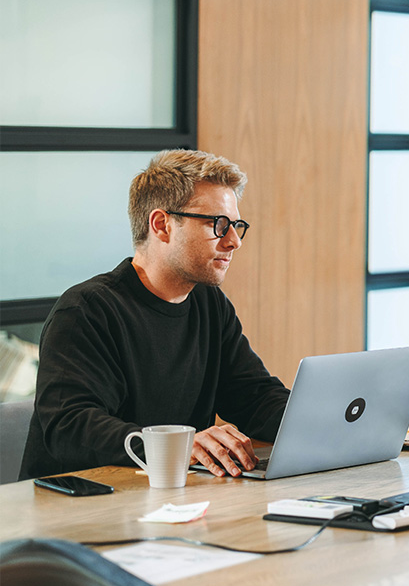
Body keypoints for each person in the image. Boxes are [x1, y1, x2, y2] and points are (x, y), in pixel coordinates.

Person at [21, 150, 290, 479]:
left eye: (236, 226)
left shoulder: (210, 304)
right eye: (219, 224)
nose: (234, 241)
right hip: (80, 506)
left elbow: (253, 397)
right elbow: (70, 427)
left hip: (170, 499)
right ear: (162, 225)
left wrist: (323, 420)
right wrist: (176, 445)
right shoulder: (86, 310)